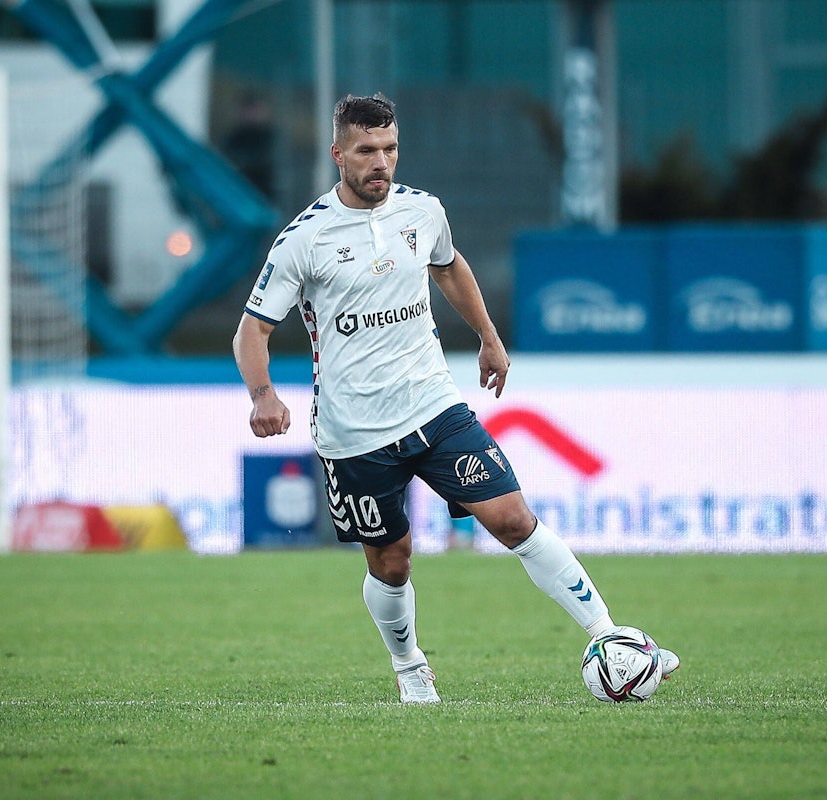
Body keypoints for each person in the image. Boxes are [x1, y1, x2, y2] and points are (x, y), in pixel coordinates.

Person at [233, 93, 678, 703]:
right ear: (338, 154)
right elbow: (252, 328)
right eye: (366, 151)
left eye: (389, 149)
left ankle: (610, 637)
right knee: (391, 562)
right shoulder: (302, 240)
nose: (380, 162)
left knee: (514, 520)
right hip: (355, 433)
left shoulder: (423, 211)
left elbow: (448, 267)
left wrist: (489, 338)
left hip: (436, 407)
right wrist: (262, 395)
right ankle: (410, 664)